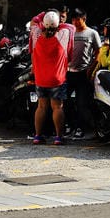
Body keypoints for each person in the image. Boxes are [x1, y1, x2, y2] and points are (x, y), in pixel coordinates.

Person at [28, 9, 75, 145]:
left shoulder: (36, 34)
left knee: (41, 107)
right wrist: (56, 19)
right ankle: (59, 137)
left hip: (40, 79)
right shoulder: (63, 34)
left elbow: (33, 21)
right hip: (57, 79)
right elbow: (70, 27)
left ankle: (37, 136)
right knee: (57, 107)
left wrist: (44, 14)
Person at [65, 8, 99, 140]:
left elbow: (98, 53)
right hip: (68, 72)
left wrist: (91, 68)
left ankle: (80, 128)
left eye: (77, 19)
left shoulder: (92, 33)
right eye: (73, 19)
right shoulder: (69, 32)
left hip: (83, 73)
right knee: (64, 100)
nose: (75, 22)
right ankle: (68, 125)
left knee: (81, 103)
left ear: (84, 19)